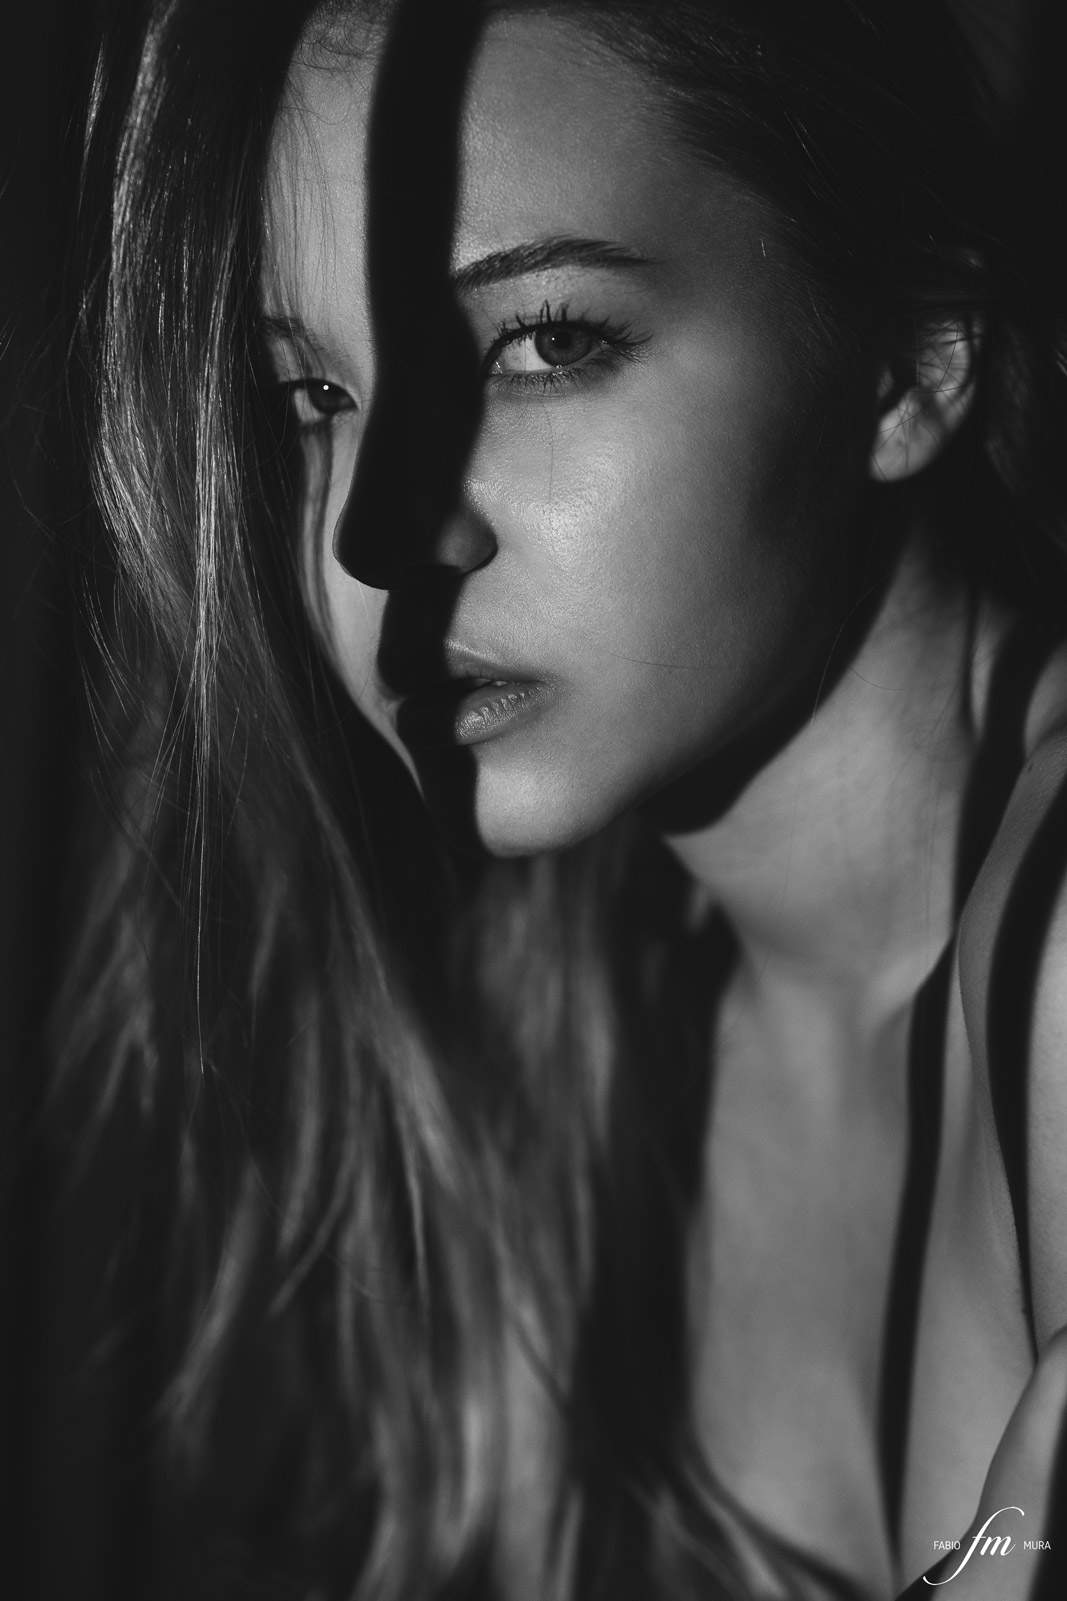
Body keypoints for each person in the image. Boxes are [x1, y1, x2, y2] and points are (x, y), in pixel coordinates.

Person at [51, 0, 1067, 1596]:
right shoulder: (535, 1030)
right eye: (313, 396)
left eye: (542, 344)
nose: (380, 535)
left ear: (911, 357)